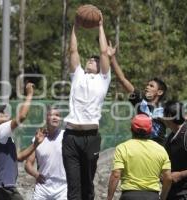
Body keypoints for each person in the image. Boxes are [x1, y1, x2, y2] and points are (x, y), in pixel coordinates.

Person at [62, 12, 111, 200]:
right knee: (73, 186)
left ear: (101, 67)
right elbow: (73, 51)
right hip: (71, 136)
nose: (92, 60)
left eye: (96, 60)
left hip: (91, 137)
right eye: (90, 59)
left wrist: (100, 26)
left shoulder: (103, 79)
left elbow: (104, 52)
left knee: (87, 184)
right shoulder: (78, 75)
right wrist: (75, 26)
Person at [0, 83, 44, 200]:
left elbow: (19, 157)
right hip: (4, 187)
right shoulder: (0, 131)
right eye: (1, 113)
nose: (6, 113)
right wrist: (30, 94)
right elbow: (21, 117)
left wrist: (35, 144)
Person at [107, 42, 167, 145]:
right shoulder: (140, 101)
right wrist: (112, 59)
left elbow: (183, 120)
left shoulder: (166, 109)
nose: (147, 87)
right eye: (147, 85)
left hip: (158, 150)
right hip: (139, 147)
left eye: (151, 86)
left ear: (160, 92)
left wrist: (176, 117)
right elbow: (122, 80)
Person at [107, 114, 172, 200]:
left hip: (129, 196)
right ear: (150, 130)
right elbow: (168, 178)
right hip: (152, 196)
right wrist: (163, 197)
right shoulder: (160, 150)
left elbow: (116, 175)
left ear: (131, 129)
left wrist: (109, 198)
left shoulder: (123, 148)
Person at [25, 106, 67, 200]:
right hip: (42, 187)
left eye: (58, 115)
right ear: (46, 118)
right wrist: (36, 175)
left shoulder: (67, 137)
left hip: (63, 188)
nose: (55, 117)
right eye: (52, 115)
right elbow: (28, 164)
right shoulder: (37, 139)